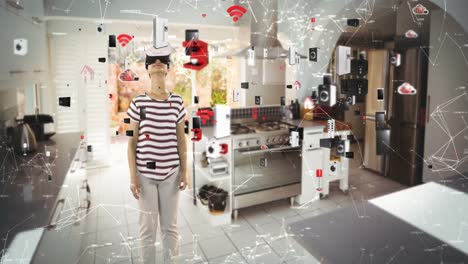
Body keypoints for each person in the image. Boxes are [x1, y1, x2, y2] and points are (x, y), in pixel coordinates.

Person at [126, 45, 188, 264]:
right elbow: (132, 142)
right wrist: (133, 176)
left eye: (162, 60)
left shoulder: (177, 102)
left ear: (168, 68)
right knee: (147, 229)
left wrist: (184, 172)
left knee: (170, 227)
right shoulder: (138, 102)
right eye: (153, 60)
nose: (158, 62)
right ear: (147, 69)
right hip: (145, 175)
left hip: (171, 173)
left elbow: (181, 139)